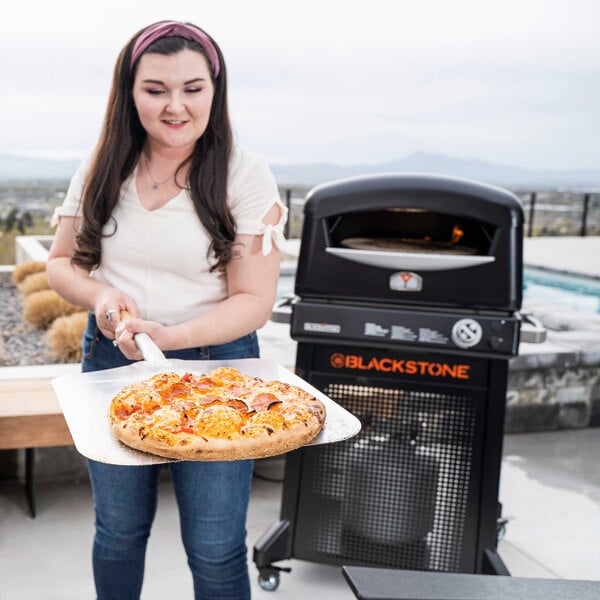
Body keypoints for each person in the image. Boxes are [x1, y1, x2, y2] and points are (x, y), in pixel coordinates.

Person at [46, 20, 287, 600]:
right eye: (156, 89)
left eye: (193, 88)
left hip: (218, 370)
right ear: (129, 93)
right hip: (111, 362)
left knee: (214, 545)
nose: (176, 105)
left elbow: (254, 303)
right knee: (119, 532)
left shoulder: (245, 174)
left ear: (215, 89)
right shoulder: (101, 164)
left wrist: (170, 336)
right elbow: (61, 264)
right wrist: (102, 296)